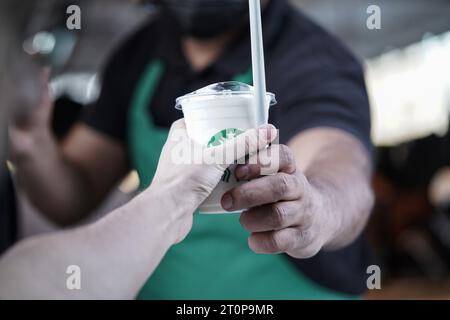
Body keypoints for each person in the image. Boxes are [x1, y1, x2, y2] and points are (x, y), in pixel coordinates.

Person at [10, 0, 374, 298]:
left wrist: (319, 207)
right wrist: (32, 146)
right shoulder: (137, 55)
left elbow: (342, 167)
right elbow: (73, 196)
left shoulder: (312, 57)